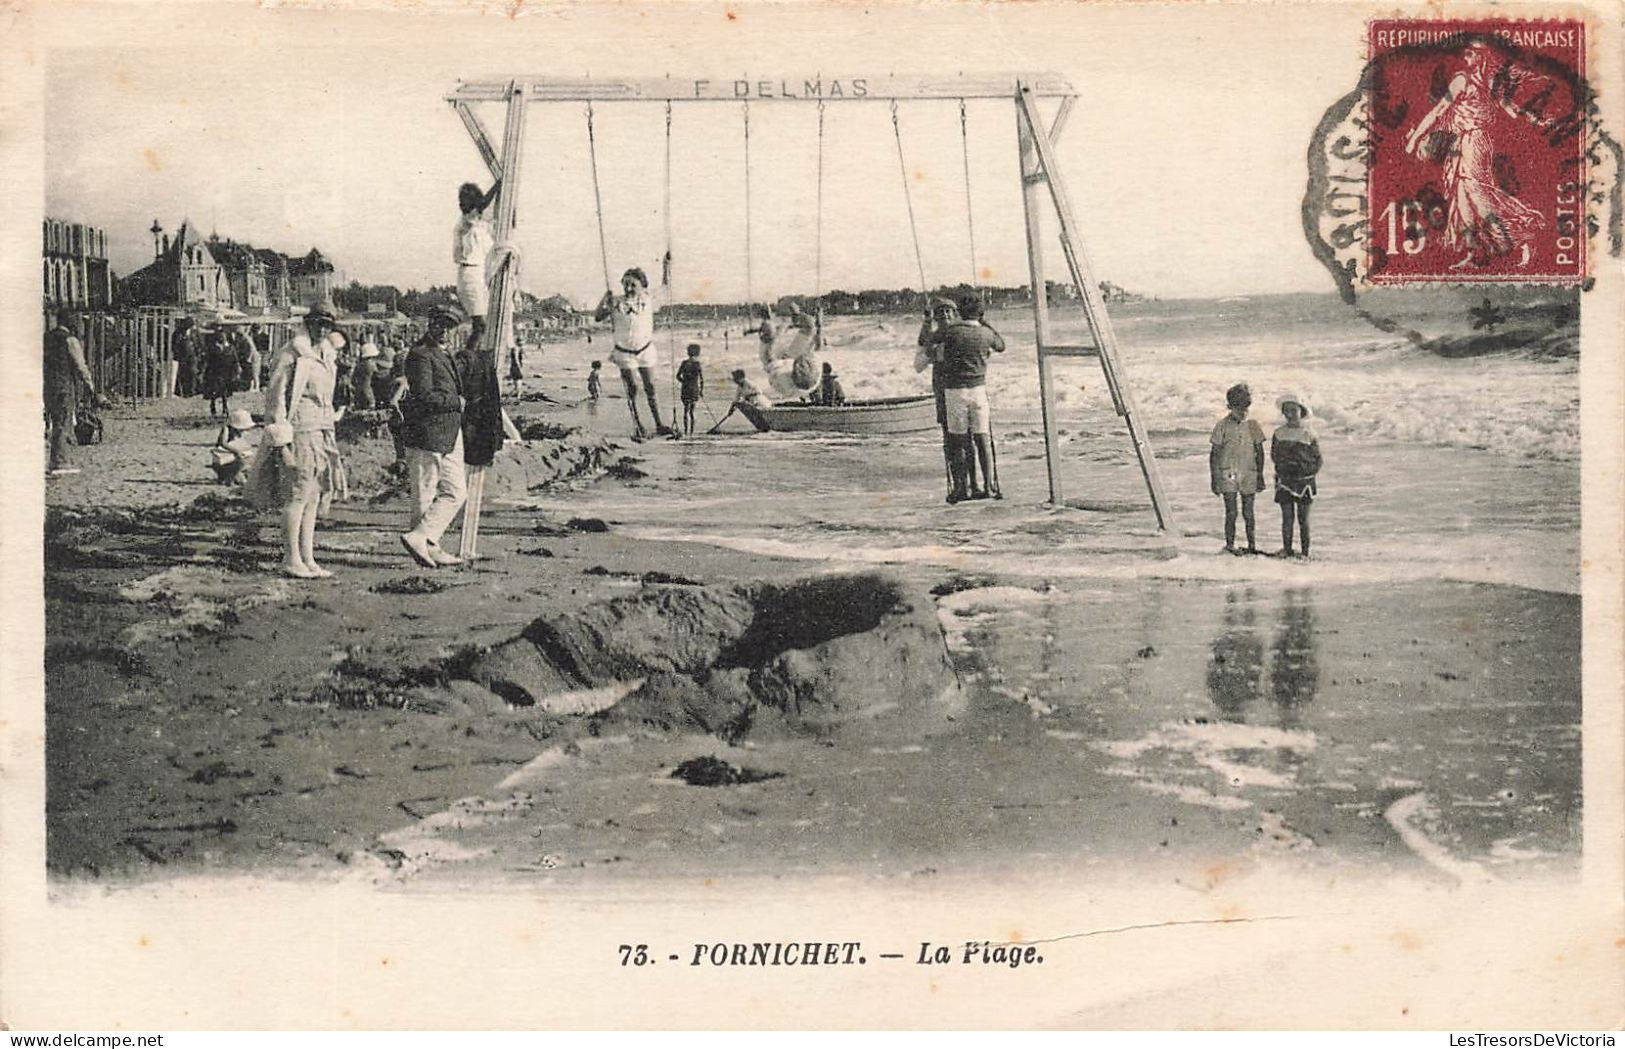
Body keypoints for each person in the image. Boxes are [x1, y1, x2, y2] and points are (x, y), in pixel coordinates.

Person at [1403, 42, 1544, 269]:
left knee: (1479, 196)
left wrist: (1533, 119)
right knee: (1462, 198)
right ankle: (1474, 253)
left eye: (1470, 54)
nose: (1466, 58)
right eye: (1465, 54)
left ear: (1481, 56)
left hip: (1475, 141)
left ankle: (1523, 237)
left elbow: (1509, 107)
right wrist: (1416, 137)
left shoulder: (1482, 83)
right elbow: (1440, 110)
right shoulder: (1465, 81)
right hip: (1462, 142)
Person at [248, 305, 346, 579]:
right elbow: (276, 397)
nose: (322, 329)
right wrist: (280, 438)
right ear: (308, 324)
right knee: (297, 493)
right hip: (299, 429)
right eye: (317, 324)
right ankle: (291, 558)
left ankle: (308, 557)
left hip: (321, 431)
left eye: (327, 325)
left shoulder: (326, 355)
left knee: (314, 494)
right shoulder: (293, 354)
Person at [398, 305, 469, 569]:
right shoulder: (420, 354)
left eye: (450, 326)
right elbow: (425, 395)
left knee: (456, 491)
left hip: (448, 431)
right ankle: (427, 546)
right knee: (424, 492)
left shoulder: (444, 353)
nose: (445, 331)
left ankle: (422, 538)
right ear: (430, 324)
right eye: (441, 324)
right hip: (427, 432)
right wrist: (456, 401)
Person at [918, 294, 1005, 502]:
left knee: (958, 441)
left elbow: (926, 342)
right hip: (979, 390)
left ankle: (961, 488)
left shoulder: (950, 331)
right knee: (983, 439)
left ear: (959, 312)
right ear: (979, 312)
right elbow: (1001, 345)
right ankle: (990, 486)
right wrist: (985, 322)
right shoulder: (985, 333)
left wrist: (928, 320)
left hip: (955, 392)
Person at [594, 267, 671, 438]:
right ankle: (638, 425)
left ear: (642, 286)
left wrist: (666, 266)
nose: (628, 289)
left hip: (645, 349)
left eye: (633, 285)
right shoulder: (615, 302)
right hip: (624, 352)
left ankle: (659, 424)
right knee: (632, 388)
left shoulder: (648, 298)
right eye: (625, 284)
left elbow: (666, 286)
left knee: (650, 387)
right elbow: (598, 317)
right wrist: (604, 300)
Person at [44, 309, 103, 477]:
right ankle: (59, 462)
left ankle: (57, 459)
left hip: (47, 385)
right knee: (63, 422)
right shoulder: (70, 340)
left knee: (54, 421)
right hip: (63, 385)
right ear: (71, 323)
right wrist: (90, 386)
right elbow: (80, 366)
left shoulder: (46, 338)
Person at [1210, 382, 1265, 554]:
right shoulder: (1222, 425)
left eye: (1246, 406)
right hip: (1228, 472)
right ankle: (1230, 544)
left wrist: (1260, 475)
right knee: (1231, 512)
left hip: (1249, 471)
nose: (1243, 411)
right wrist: (1214, 478)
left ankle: (1252, 545)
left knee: (1249, 512)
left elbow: (1260, 452)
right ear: (1230, 406)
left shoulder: (1253, 425)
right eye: (1239, 407)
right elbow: (1214, 454)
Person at [1271, 394, 1322, 559]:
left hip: (1304, 482)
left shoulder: (1309, 433)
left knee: (1303, 519)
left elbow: (1318, 459)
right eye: (1287, 411)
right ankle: (1287, 550)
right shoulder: (1279, 433)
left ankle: (1305, 553)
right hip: (1285, 481)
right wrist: (1282, 471)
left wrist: (1307, 473)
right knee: (1287, 518)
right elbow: (1274, 456)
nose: (1290, 414)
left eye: (1294, 410)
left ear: (1302, 411)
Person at [455, 179, 502, 353]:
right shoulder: (465, 223)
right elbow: (482, 205)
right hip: (470, 274)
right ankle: (468, 359)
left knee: (485, 325)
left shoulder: (480, 225)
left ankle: (475, 358)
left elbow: (487, 211)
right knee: (480, 325)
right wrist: (498, 185)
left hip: (481, 274)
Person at [210, 407, 258, 485]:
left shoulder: (238, 433)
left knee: (249, 461)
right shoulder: (226, 429)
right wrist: (236, 451)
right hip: (221, 460)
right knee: (242, 461)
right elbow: (223, 443)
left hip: (230, 459)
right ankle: (229, 478)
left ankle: (231, 476)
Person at [201, 324, 237, 417]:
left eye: (223, 336)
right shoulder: (213, 348)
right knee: (215, 390)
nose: (222, 338)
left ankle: (225, 407)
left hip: (226, 371)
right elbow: (208, 360)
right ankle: (213, 405)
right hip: (215, 371)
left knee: (224, 391)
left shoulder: (230, 348)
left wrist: (235, 370)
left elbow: (235, 360)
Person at [676, 343, 704, 436]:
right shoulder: (697, 364)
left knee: (685, 410)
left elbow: (677, 376)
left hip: (685, 389)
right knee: (692, 412)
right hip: (694, 389)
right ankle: (691, 432)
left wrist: (684, 382)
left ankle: (685, 431)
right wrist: (701, 391)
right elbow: (701, 379)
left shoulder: (684, 363)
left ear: (688, 352)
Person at [352, 339, 379, 409]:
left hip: (358, 391)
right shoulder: (371, 365)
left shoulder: (359, 365)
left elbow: (353, 379)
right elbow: (377, 376)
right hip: (368, 390)